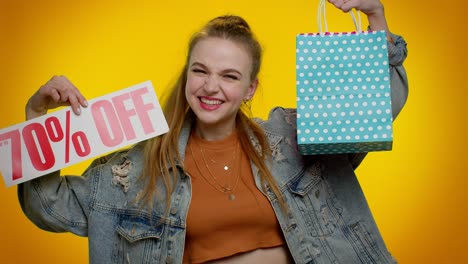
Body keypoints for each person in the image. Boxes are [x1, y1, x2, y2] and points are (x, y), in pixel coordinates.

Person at [19, 0, 408, 263]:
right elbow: (49, 206)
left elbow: (378, 105)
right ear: (187, 74)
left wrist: (375, 17)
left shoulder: (288, 136)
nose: (210, 87)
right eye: (200, 70)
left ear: (250, 88)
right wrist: (37, 117)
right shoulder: (134, 170)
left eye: (229, 76)